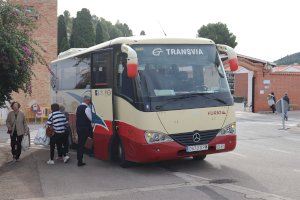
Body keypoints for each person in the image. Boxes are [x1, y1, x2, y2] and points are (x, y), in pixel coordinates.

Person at [76, 95, 92, 167]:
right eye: (89, 101)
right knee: (82, 145)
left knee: (80, 144)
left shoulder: (78, 107)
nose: (90, 102)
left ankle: (79, 160)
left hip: (79, 128)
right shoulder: (87, 108)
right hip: (85, 129)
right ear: (87, 100)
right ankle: (80, 161)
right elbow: (90, 119)